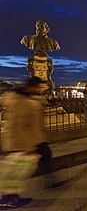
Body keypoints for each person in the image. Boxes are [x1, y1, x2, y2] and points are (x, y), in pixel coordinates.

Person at [0, 77, 50, 208]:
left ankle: (12, 197)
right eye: (39, 87)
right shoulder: (23, 102)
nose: (40, 90)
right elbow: (20, 126)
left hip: (18, 143)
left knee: (15, 172)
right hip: (19, 144)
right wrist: (30, 146)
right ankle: (8, 199)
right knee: (15, 172)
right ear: (31, 87)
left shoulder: (24, 99)